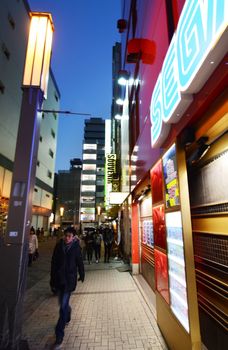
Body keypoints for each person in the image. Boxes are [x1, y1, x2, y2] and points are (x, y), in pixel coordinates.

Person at [50, 226, 85, 349]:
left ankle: (59, 335)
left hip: (69, 281)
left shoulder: (76, 248)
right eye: (65, 235)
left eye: (69, 236)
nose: (67, 238)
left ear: (74, 237)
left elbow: (80, 262)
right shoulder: (59, 247)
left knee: (62, 307)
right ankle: (68, 313)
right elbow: (53, 263)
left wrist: (82, 274)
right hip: (59, 280)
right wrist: (52, 280)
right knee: (63, 305)